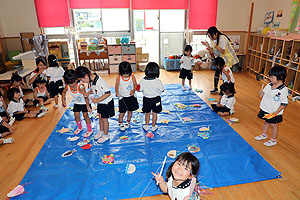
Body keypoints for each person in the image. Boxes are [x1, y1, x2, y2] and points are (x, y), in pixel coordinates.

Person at [75, 66, 115, 143]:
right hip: (101, 102)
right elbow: (95, 90)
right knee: (100, 117)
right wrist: (89, 92)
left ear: (86, 75)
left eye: (81, 79)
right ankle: (101, 131)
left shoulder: (100, 82)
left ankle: (106, 135)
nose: (82, 81)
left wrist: (97, 100)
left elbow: (108, 93)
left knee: (104, 119)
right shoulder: (92, 80)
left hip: (106, 103)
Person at [255, 65, 288, 147]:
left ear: (280, 77)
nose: (270, 79)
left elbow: (284, 103)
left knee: (273, 125)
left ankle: (273, 139)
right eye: (270, 77)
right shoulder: (270, 84)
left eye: (272, 77)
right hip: (266, 108)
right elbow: (265, 93)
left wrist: (277, 112)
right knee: (266, 122)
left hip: (274, 111)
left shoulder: (283, 90)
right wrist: (262, 93)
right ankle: (264, 134)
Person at [201, 26, 239, 94]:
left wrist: (216, 47)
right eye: (209, 36)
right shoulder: (212, 40)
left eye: (211, 36)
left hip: (227, 59)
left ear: (216, 34)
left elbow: (223, 51)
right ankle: (218, 89)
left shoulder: (222, 38)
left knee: (226, 75)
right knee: (218, 73)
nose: (210, 38)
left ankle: (227, 90)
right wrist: (208, 46)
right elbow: (212, 51)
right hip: (220, 59)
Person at [62, 69, 93, 137]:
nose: (71, 85)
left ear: (76, 80)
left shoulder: (81, 86)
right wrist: (63, 100)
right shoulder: (68, 86)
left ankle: (90, 130)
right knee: (76, 116)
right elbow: (63, 92)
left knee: (85, 115)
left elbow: (85, 96)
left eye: (72, 83)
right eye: (69, 84)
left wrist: (88, 106)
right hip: (77, 103)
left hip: (85, 103)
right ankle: (80, 127)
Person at [137, 62, 164, 132]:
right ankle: (153, 126)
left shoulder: (143, 80)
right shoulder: (158, 81)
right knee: (155, 113)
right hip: (156, 100)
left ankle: (146, 125)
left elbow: (139, 89)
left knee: (147, 113)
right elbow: (162, 89)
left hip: (146, 99)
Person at [115, 61, 139, 131]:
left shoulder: (132, 76)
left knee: (130, 110)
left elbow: (135, 84)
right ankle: (120, 122)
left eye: (127, 73)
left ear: (130, 71)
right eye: (123, 74)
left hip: (131, 97)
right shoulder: (119, 77)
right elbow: (116, 85)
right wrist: (117, 92)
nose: (125, 75)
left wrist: (133, 90)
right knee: (122, 111)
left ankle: (128, 121)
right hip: (122, 97)